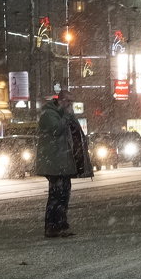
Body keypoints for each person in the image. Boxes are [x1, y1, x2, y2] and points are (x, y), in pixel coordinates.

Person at [35, 90, 91, 238]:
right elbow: (56, 130)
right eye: (68, 102)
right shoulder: (49, 114)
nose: (70, 105)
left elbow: (75, 131)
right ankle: (52, 226)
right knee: (56, 195)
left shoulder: (62, 114)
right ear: (61, 100)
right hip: (53, 163)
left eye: (71, 102)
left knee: (64, 194)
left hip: (63, 162)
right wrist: (66, 115)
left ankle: (61, 224)